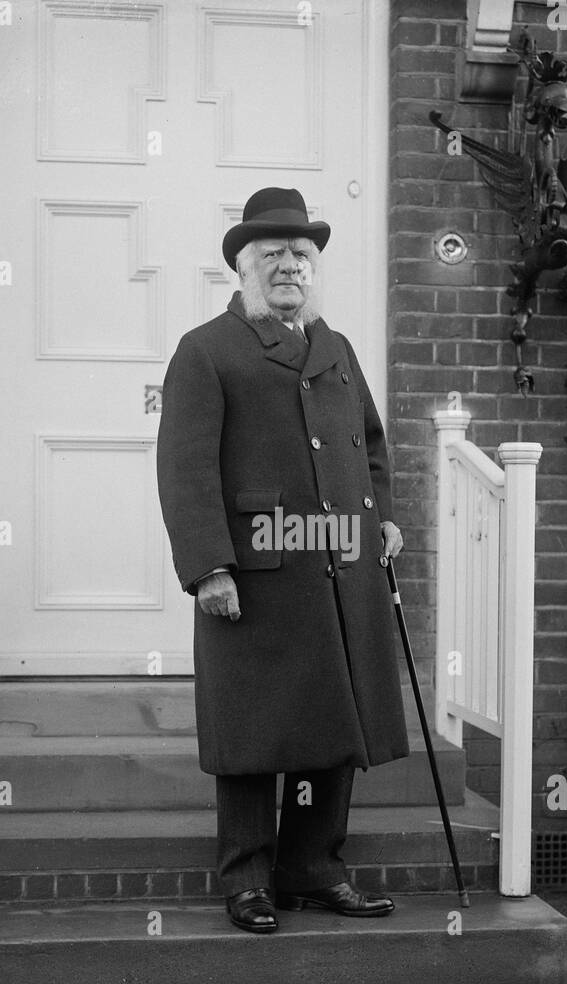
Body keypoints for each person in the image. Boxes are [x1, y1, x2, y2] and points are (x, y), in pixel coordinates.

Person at [156, 187, 410, 934]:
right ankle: (248, 879)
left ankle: (313, 866)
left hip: (340, 569)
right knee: (251, 732)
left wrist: (384, 520)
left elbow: (370, 445)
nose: (289, 266)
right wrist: (208, 567)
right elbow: (186, 467)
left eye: (301, 254)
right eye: (272, 255)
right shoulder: (206, 351)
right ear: (241, 268)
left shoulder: (336, 348)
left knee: (332, 728)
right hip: (256, 576)